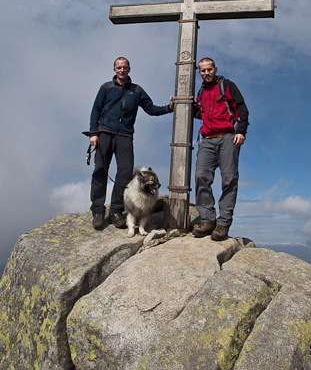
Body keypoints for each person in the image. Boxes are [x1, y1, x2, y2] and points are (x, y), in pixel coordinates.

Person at [88, 57, 173, 230]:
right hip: (105, 133)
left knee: (125, 173)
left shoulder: (137, 90)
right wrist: (93, 133)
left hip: (125, 136)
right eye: (118, 67)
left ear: (129, 69)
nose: (121, 70)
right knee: (100, 171)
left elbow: (150, 108)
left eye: (124, 67)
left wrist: (169, 108)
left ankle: (116, 211)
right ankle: (98, 211)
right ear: (114, 69)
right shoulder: (106, 87)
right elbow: (96, 110)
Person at [193, 57, 249, 240]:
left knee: (229, 178)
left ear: (215, 69)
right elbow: (198, 112)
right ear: (199, 72)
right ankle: (208, 220)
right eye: (203, 70)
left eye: (209, 69)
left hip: (227, 137)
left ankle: (223, 223)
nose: (207, 73)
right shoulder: (201, 92)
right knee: (201, 175)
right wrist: (177, 104)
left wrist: (241, 131)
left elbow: (242, 108)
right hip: (207, 139)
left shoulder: (226, 85)